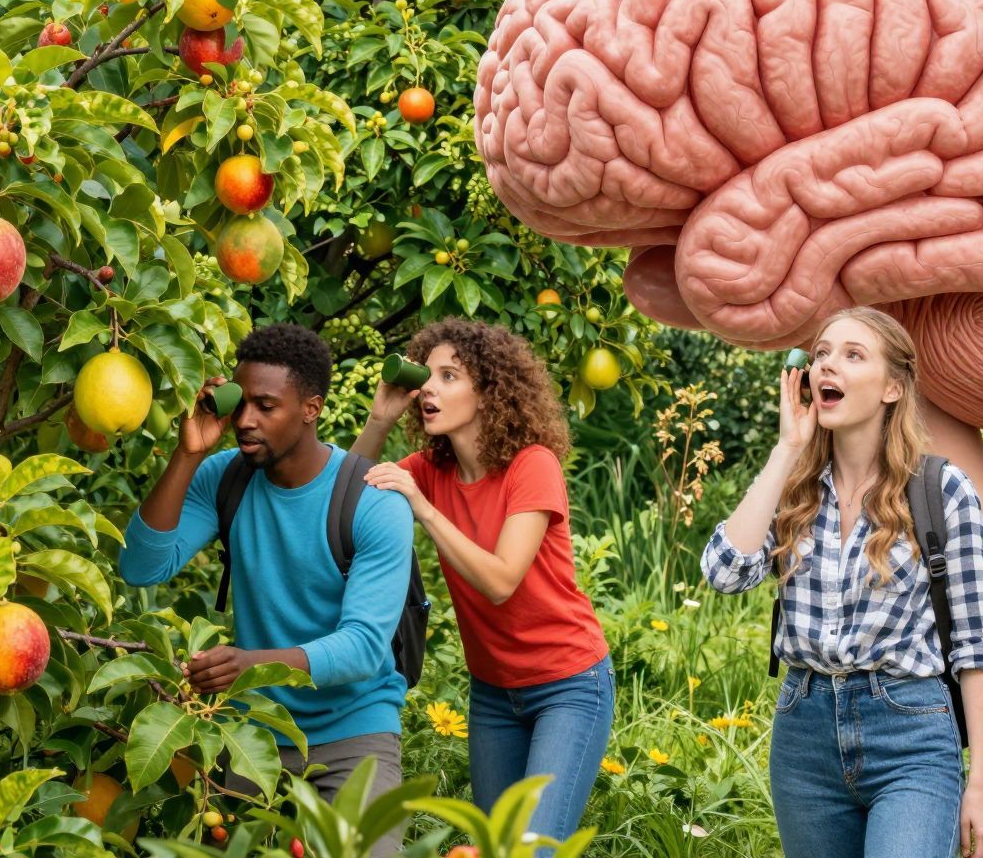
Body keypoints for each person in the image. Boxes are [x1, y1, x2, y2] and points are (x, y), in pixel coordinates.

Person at [701, 306, 983, 858]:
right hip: (804, 734)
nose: (826, 365)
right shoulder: (793, 489)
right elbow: (725, 573)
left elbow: (977, 643)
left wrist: (980, 781)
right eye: (821, 353)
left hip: (911, 731)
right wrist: (786, 449)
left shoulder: (942, 490)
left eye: (853, 355)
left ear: (892, 387)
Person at [118, 324, 413, 855]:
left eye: (266, 406)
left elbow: (365, 648)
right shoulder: (224, 477)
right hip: (252, 734)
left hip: (354, 732)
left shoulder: (374, 501)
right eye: (242, 402)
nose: (245, 420)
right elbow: (142, 566)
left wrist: (249, 664)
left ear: (311, 409)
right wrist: (187, 454)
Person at [350, 320, 613, 845]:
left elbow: (501, 580)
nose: (429, 388)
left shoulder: (532, 465)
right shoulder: (431, 469)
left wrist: (423, 509)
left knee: (532, 851)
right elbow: (346, 501)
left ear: (490, 391)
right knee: (496, 847)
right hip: (493, 694)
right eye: (427, 376)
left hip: (568, 686)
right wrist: (379, 420)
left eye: (449, 376)